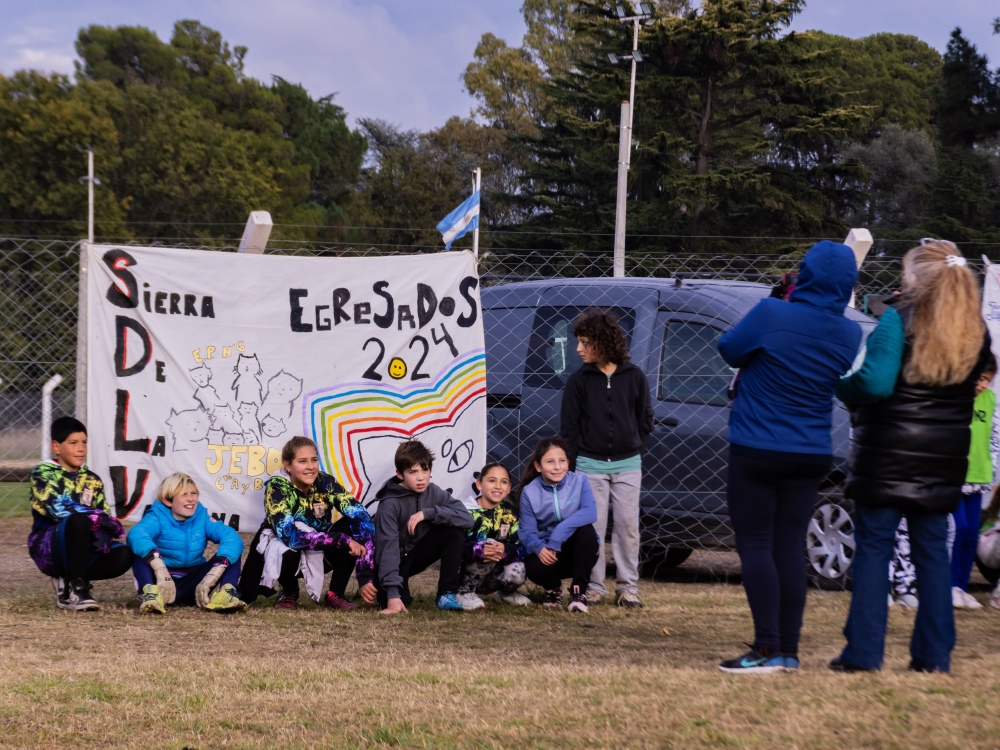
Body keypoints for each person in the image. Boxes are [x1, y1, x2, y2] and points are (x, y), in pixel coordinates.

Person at [832, 240, 990, 674]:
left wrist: (842, 386)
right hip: (943, 460)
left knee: (874, 550)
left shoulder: (896, 320)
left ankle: (863, 653)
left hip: (886, 456)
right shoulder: (976, 331)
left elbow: (875, 385)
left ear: (917, 278)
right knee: (933, 554)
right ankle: (934, 655)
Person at [716, 241, 863, 673]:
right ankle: (788, 650)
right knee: (788, 547)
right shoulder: (850, 331)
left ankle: (765, 647)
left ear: (805, 274)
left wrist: (777, 300)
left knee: (756, 544)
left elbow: (730, 349)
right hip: (812, 450)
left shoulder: (771, 313)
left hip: (757, 445)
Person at [560, 310, 653, 608]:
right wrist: (573, 467)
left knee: (627, 526)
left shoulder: (634, 376)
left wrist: (633, 445)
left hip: (628, 464)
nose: (578, 349)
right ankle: (594, 586)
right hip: (589, 465)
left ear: (602, 341)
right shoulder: (578, 381)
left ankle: (628, 588)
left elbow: (644, 418)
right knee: (593, 527)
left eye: (584, 342)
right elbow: (569, 430)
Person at [239, 436, 376, 610]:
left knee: (353, 524)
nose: (310, 467)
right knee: (281, 546)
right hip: (291, 551)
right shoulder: (277, 487)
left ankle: (335, 594)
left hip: (321, 552)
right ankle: (289, 591)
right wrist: (340, 539)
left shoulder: (325, 482)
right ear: (288, 466)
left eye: (314, 460)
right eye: (302, 461)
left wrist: (365, 574)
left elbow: (361, 516)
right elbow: (290, 537)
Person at [27, 416, 133, 611]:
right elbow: (57, 510)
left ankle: (67, 580)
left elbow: (107, 518)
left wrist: (100, 523)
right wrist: (96, 518)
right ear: (56, 447)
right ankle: (78, 587)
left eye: (84, 442)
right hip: (49, 547)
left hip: (84, 547)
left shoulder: (93, 480)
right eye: (73, 443)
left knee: (124, 555)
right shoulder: (42, 473)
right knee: (77, 520)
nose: (81, 448)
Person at [373, 440, 474, 614]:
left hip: (416, 554)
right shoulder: (389, 504)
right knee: (399, 601)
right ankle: (392, 590)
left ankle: (446, 594)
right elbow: (387, 549)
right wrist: (392, 595)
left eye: (425, 470)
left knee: (454, 531)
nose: (421, 477)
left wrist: (429, 514)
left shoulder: (433, 492)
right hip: (393, 560)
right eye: (413, 472)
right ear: (400, 474)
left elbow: (467, 519)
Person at [127, 472, 247, 614]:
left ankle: (226, 595)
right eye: (184, 495)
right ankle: (150, 595)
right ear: (167, 500)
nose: (191, 499)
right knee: (138, 549)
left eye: (193, 493)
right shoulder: (156, 516)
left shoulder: (201, 516)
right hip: (161, 584)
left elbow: (231, 536)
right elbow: (136, 534)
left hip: (196, 585)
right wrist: (158, 564)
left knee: (232, 551)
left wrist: (216, 569)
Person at [517, 437, 600, 613]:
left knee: (586, 531)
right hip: (550, 553)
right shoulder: (529, 491)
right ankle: (553, 588)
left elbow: (590, 512)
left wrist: (559, 534)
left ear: (568, 463)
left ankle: (578, 592)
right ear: (538, 466)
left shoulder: (580, 482)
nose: (557, 467)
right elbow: (526, 531)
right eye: (550, 462)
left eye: (562, 461)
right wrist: (539, 548)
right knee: (532, 567)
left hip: (576, 551)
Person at [951, 354, 995, 610]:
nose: (982, 385)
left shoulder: (990, 399)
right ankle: (948, 585)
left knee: (971, 535)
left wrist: (992, 468)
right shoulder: (956, 399)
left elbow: (993, 436)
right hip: (956, 475)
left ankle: (962, 587)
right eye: (979, 378)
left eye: (987, 380)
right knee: (958, 529)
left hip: (979, 476)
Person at [455, 463, 530, 609]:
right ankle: (464, 593)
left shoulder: (511, 513)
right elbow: (451, 548)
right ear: (479, 484)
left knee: (519, 569)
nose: (498, 486)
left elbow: (522, 547)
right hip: (464, 574)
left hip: (493, 574)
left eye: (503, 482)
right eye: (491, 480)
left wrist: (505, 550)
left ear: (509, 488)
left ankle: (505, 594)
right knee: (488, 544)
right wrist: (478, 550)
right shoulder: (465, 511)